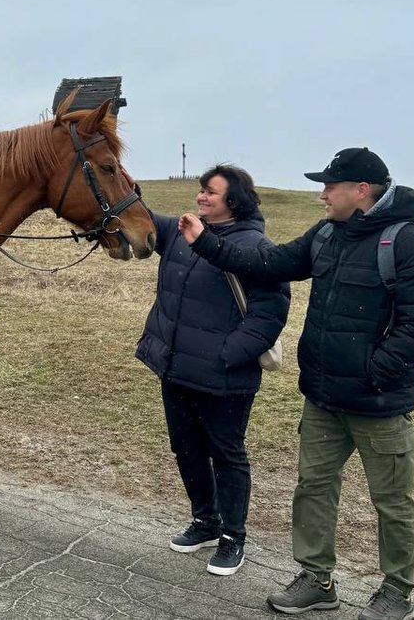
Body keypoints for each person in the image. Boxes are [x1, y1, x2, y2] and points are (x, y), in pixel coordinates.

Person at [178, 148, 414, 620]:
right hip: (323, 399)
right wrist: (205, 243)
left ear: (361, 190)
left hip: (379, 404)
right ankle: (316, 580)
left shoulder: (408, 245)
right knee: (314, 490)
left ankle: (397, 591)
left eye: (330, 186)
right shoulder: (327, 234)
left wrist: (371, 373)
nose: (323, 194)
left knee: (392, 502)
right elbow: (271, 264)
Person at [135, 164, 289, 576]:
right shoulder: (181, 233)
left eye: (211, 193)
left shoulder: (255, 246)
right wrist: (114, 177)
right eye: (202, 190)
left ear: (233, 201)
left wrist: (228, 353)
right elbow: (139, 216)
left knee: (227, 454)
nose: (202, 197)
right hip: (176, 367)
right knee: (186, 449)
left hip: (225, 375)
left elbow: (270, 312)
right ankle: (205, 522)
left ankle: (233, 537)